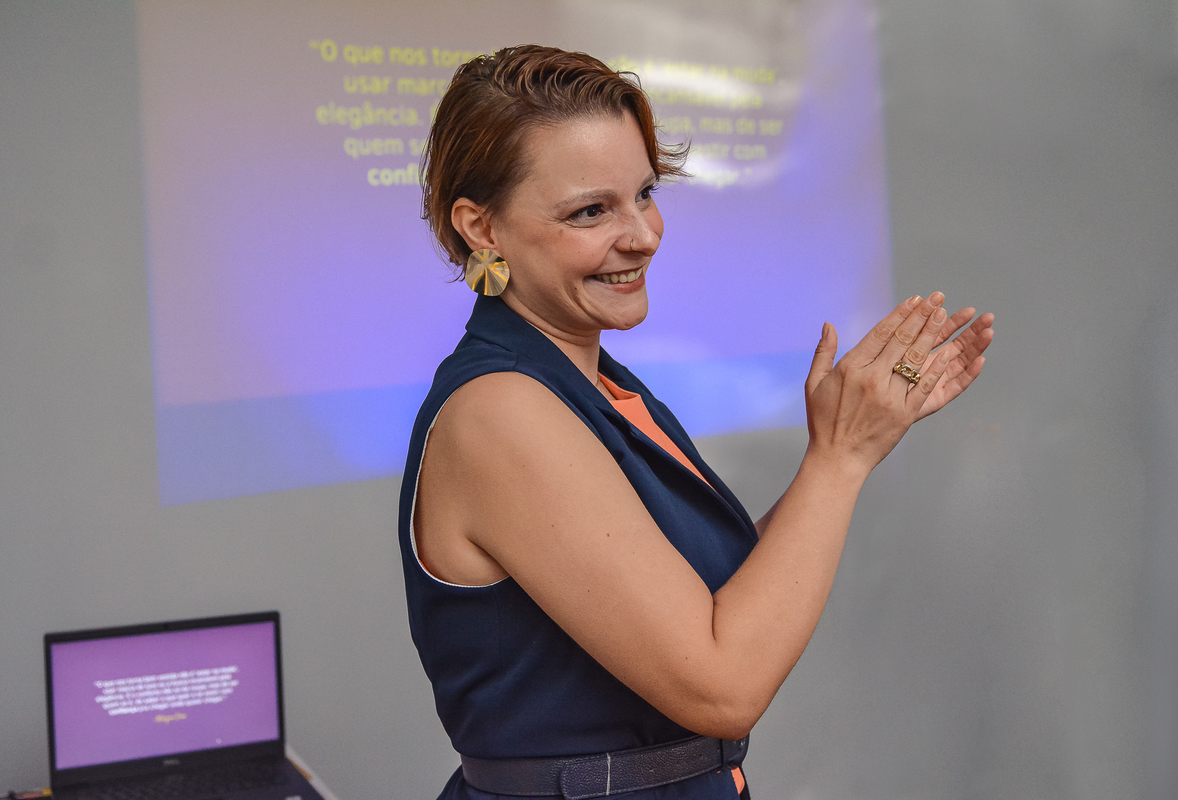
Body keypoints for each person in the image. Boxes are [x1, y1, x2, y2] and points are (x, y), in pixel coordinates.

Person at [398, 45, 993, 800]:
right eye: (591, 211)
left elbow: (726, 609)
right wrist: (837, 460)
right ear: (481, 227)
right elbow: (723, 687)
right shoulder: (500, 413)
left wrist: (848, 444)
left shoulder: (598, 387)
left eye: (645, 193)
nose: (643, 234)